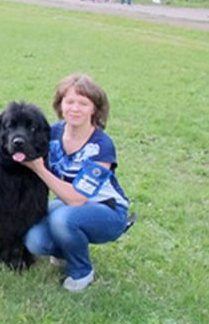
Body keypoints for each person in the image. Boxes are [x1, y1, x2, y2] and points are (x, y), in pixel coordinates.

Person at [20, 74, 131, 292]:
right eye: (69, 101)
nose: (75, 108)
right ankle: (64, 252)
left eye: (83, 103)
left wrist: (39, 168)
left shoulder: (101, 146)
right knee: (33, 239)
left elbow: (76, 199)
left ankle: (82, 270)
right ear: (60, 105)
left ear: (94, 110)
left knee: (63, 219)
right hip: (69, 204)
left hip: (107, 210)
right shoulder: (53, 132)